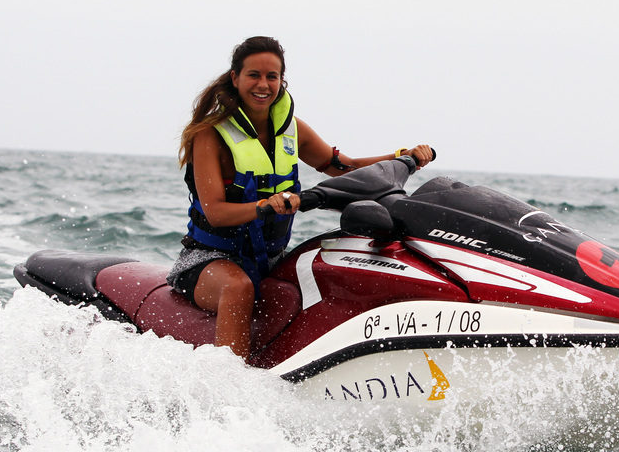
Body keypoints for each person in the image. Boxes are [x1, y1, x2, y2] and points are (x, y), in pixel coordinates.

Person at [168, 36, 433, 359]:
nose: (263, 84)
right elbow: (216, 213)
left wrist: (399, 157)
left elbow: (342, 167)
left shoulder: (291, 129)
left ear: (282, 81)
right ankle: (230, 390)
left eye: (272, 76)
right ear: (236, 78)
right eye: (254, 75)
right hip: (208, 259)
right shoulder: (209, 135)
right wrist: (264, 205)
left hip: (270, 259)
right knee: (239, 289)